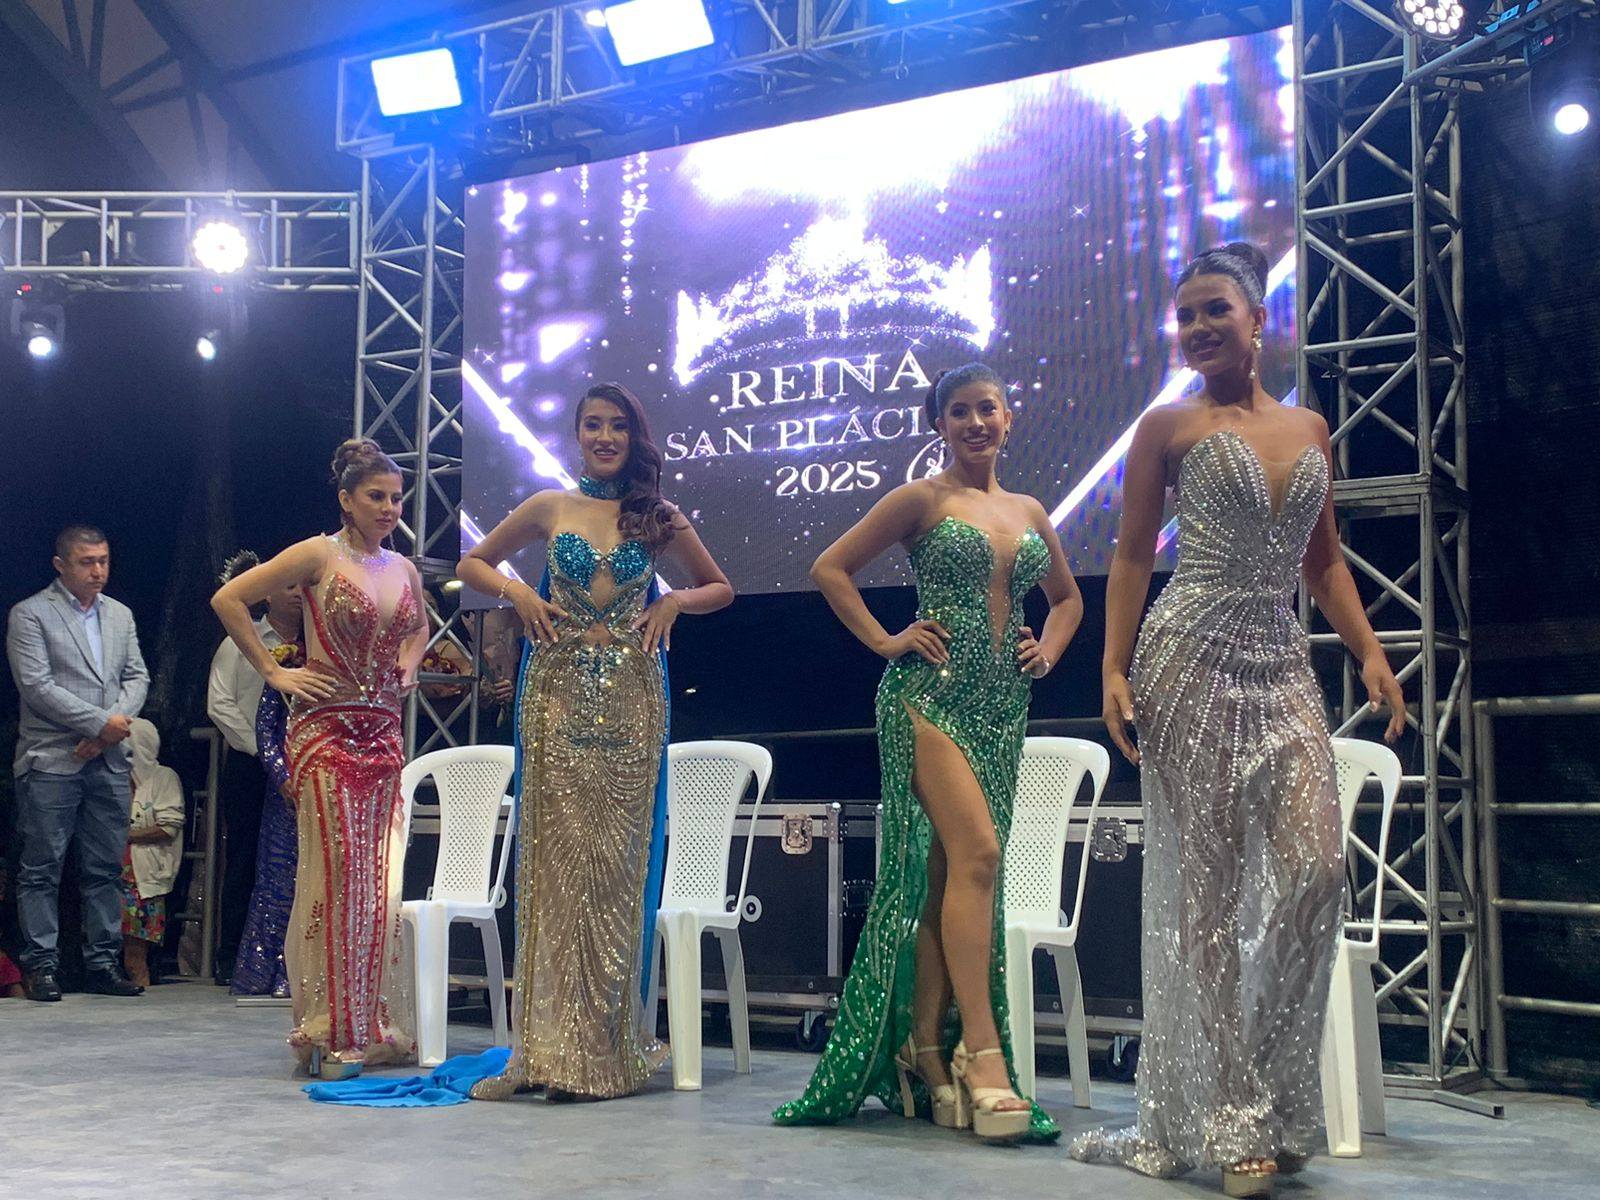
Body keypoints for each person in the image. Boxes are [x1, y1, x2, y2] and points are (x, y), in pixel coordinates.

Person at [1070, 243, 1406, 1197]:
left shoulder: (1309, 426)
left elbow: (1323, 562)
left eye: (1215, 309)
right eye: (1186, 316)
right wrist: (1113, 666)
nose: (1198, 328)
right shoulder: (1166, 426)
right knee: (1209, 900)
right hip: (1186, 659)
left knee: (1317, 871)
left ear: (1259, 320)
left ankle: (1257, 1087)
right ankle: (1233, 1113)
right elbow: (1132, 556)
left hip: (1281, 662)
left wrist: (1371, 652)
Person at [773, 363, 1084, 1143]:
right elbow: (830, 568)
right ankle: (983, 1053)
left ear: (1008, 417)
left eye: (987, 408)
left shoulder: (1029, 509)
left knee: (950, 876)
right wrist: (887, 640)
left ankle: (925, 1048)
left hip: (1002, 708)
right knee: (979, 855)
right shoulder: (922, 499)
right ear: (938, 425)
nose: (976, 422)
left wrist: (1047, 649)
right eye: (959, 412)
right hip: (926, 700)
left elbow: (1068, 600)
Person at [458, 382, 734, 1101]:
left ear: (633, 437)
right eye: (592, 425)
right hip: (553, 695)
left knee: (615, 870)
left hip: (634, 699)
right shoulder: (550, 506)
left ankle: (600, 1048)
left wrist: (673, 601)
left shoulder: (657, 515)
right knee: (553, 868)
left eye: (617, 426)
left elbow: (720, 588)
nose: (604, 437)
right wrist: (519, 593)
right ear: (577, 434)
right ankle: (545, 1050)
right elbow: (471, 564)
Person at [211, 439, 427, 1077]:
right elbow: (229, 600)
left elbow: (418, 626)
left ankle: (368, 1024)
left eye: (396, 498)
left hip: (383, 735)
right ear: (346, 499)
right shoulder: (316, 554)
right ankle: (333, 1030)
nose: (389, 508)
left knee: (378, 886)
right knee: (337, 880)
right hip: (325, 731)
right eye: (376, 496)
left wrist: (410, 663)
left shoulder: (404, 568)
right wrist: (275, 673)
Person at [7, 525, 150, 1001]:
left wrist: (112, 727)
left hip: (108, 759)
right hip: (52, 757)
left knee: (105, 868)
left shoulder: (120, 614)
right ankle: (42, 965)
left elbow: (137, 677)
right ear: (60, 565)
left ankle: (102, 964)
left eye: (103, 560)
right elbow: (37, 686)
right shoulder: (30, 613)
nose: (98, 571)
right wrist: (99, 724)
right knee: (41, 868)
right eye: (87, 562)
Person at [207, 552, 304, 986]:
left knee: (296, 862)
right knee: (245, 857)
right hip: (250, 762)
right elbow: (220, 703)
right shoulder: (239, 638)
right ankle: (234, 956)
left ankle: (291, 957)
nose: (298, 594)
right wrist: (262, 751)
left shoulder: (316, 643)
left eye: (304, 586)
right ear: (266, 593)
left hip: (302, 764)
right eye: (289, 586)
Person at [229, 640, 301, 998]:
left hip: (324, 785)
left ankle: (299, 970)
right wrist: (282, 776)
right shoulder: (286, 667)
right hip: (284, 795)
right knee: (277, 880)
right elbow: (266, 731)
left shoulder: (343, 673)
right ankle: (265, 968)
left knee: (313, 881)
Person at [119, 718, 185, 988]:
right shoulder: (113, 779)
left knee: (135, 958)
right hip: (110, 874)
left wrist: (124, 836)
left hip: (141, 876)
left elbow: (168, 827)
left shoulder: (163, 777)